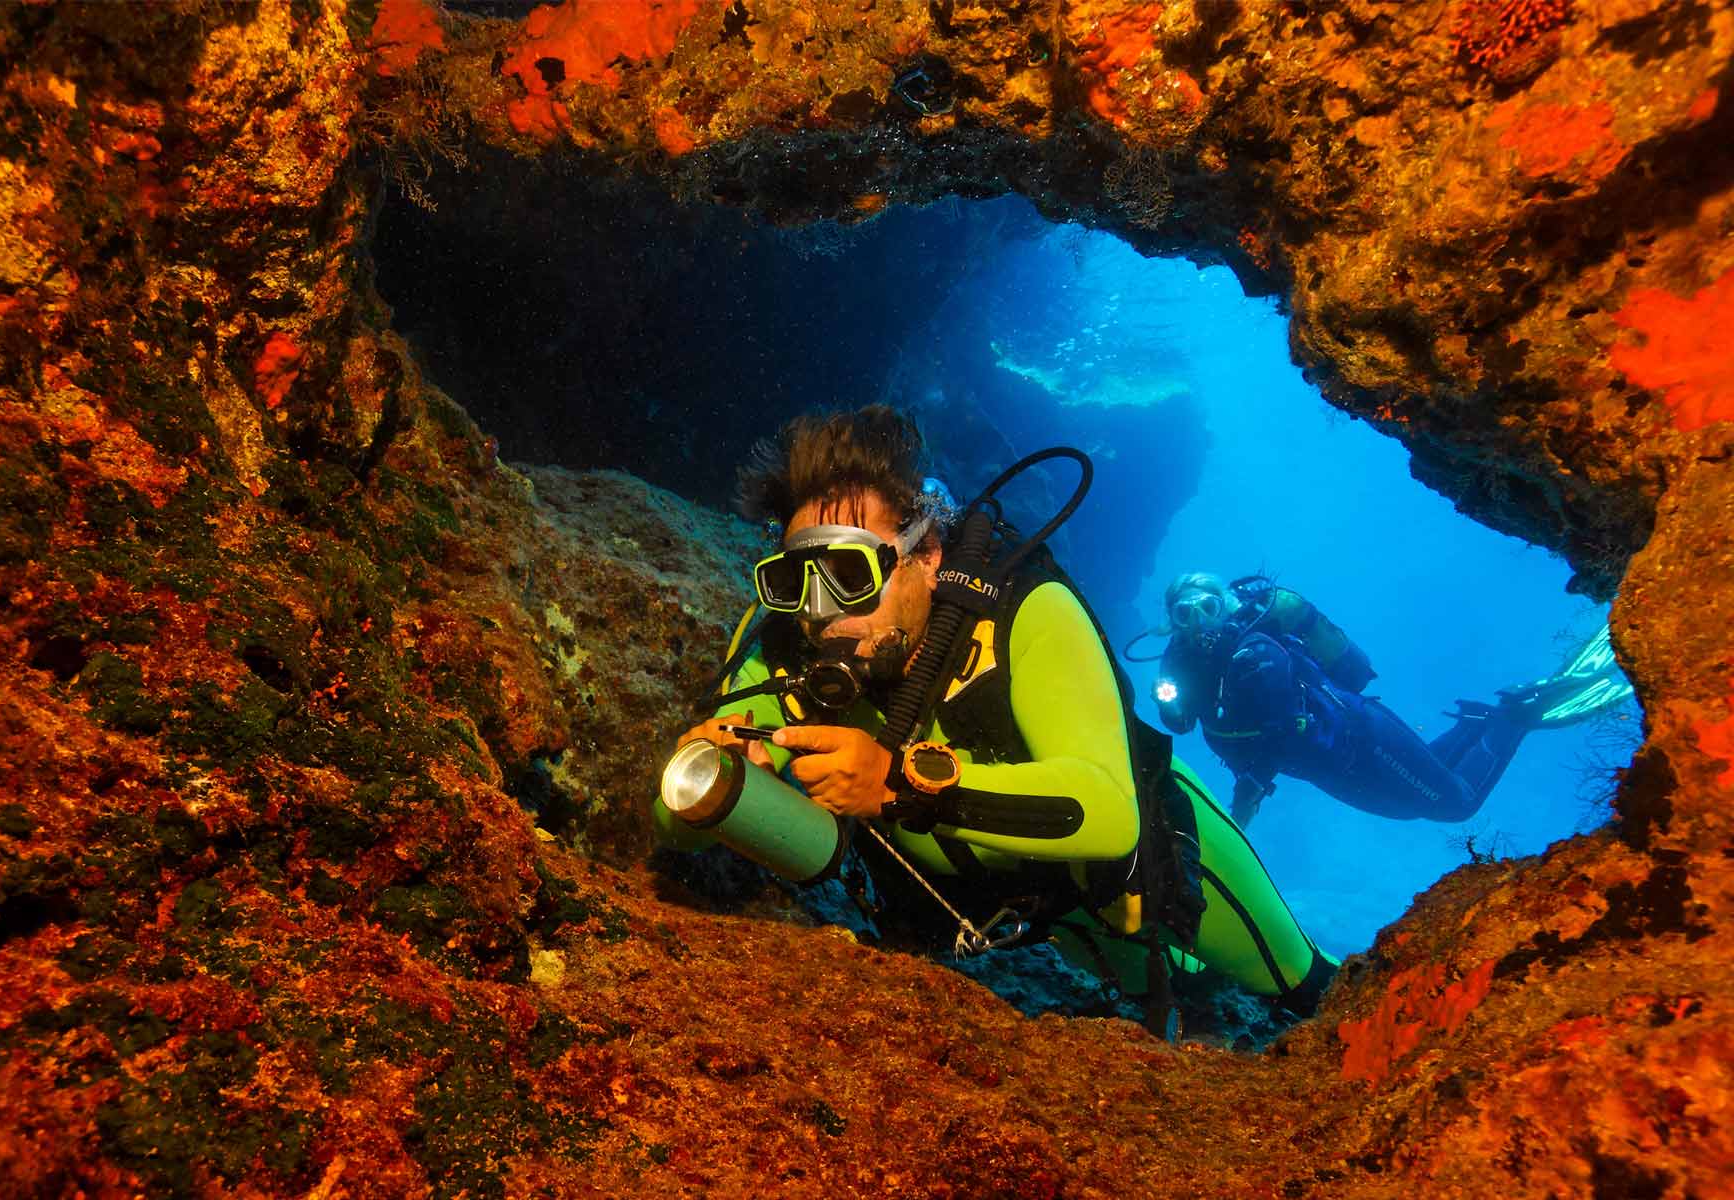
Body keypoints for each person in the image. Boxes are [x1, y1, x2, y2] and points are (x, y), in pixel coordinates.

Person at [653, 406, 1336, 1024]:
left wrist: (899, 784)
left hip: (1146, 875)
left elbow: (1108, 810)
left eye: (852, 576)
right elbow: (674, 822)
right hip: (1038, 923)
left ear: (927, 554)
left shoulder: (1026, 614)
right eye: (794, 581)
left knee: (1306, 994)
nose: (821, 612)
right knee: (1166, 1013)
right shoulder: (782, 646)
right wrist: (710, 778)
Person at [1152, 572, 1630, 828]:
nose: (1199, 623)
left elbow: (1276, 732)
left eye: (1208, 608)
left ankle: (1516, 714)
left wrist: (1244, 805)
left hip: (1362, 741)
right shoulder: (1186, 666)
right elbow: (1180, 723)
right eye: (1185, 614)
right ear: (1174, 621)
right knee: (1413, 803)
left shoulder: (1255, 654)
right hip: (1333, 765)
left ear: (1226, 608)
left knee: (1454, 806)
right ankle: (1478, 721)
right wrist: (1171, 691)